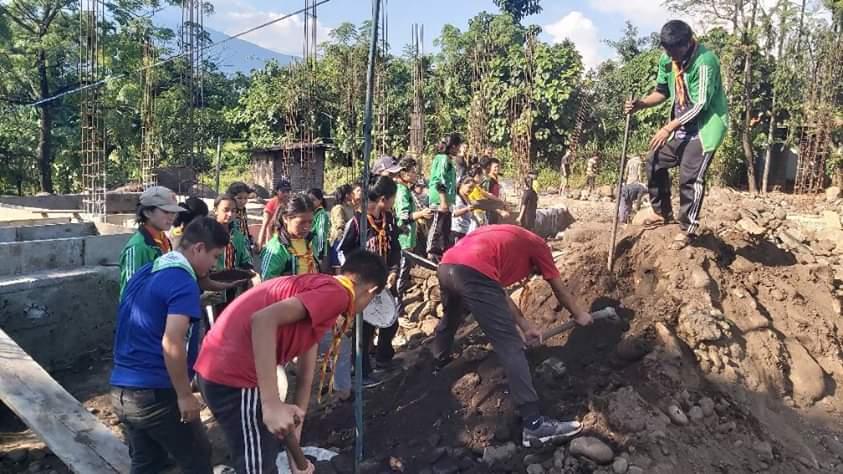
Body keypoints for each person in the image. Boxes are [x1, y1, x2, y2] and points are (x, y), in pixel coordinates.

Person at [195, 250, 387, 474]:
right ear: (371, 291)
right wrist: (271, 403)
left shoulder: (322, 288)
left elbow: (306, 377)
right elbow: (263, 320)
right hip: (234, 376)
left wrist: (296, 457)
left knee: (264, 447)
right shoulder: (337, 295)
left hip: (220, 367)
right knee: (257, 465)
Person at [431, 224, 593, 447]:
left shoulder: (505, 238)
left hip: (447, 265)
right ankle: (534, 425)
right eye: (532, 272)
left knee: (451, 318)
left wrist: (526, 327)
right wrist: (579, 314)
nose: (527, 276)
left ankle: (437, 365)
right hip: (472, 272)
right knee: (510, 347)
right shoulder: (540, 246)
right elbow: (558, 287)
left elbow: (498, 292)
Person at [110, 217, 230, 474]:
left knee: (148, 463)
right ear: (198, 248)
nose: (215, 264)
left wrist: (206, 283)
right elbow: (172, 340)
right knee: (198, 457)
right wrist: (185, 395)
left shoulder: (151, 269)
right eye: (215, 256)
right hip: (156, 394)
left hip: (122, 391)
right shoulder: (182, 283)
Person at [625, 19, 728, 250]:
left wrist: (668, 127)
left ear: (687, 43)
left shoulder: (704, 62)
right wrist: (640, 104)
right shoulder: (668, 60)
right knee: (654, 160)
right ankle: (662, 213)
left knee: (689, 178)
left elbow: (700, 105)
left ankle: (687, 229)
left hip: (703, 130)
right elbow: (661, 92)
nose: (670, 56)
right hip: (681, 128)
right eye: (667, 50)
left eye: (674, 51)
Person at [338, 176, 401, 386]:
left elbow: (395, 249)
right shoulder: (356, 223)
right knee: (362, 331)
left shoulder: (389, 221)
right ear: (383, 198)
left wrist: (393, 270)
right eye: (393, 198)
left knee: (391, 321)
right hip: (363, 286)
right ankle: (361, 371)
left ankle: (383, 357)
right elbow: (341, 252)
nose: (394, 202)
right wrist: (355, 278)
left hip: (385, 282)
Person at [119, 186, 186, 297]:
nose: (172, 217)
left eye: (174, 212)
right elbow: (131, 293)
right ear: (147, 212)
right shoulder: (138, 247)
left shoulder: (163, 238)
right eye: (166, 211)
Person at [394, 157, 433, 322]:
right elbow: (403, 217)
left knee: (404, 274)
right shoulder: (401, 191)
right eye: (413, 171)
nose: (415, 174)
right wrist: (421, 214)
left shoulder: (405, 189)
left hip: (408, 240)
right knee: (400, 275)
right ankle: (397, 310)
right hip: (403, 240)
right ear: (404, 173)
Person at [259, 194, 317, 280]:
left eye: (310, 222)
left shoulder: (308, 240)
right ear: (286, 218)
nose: (307, 227)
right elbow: (267, 285)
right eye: (301, 222)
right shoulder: (276, 249)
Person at [427, 133, 462, 261]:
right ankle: (432, 251)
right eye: (458, 147)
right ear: (453, 146)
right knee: (438, 225)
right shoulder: (442, 159)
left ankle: (442, 253)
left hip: (447, 201)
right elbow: (439, 180)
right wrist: (442, 201)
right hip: (440, 200)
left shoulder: (448, 160)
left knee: (445, 228)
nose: (459, 150)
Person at [258, 177, 293, 250]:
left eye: (288, 191)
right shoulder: (272, 203)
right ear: (277, 191)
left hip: (286, 238)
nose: (286, 194)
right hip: (273, 238)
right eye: (283, 192)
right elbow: (265, 225)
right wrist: (259, 245)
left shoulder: (290, 203)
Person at [330, 184, 356, 269]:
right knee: (339, 265)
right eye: (351, 193)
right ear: (346, 195)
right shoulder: (339, 208)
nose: (353, 195)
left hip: (348, 238)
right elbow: (340, 224)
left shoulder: (350, 207)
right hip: (340, 239)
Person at [307, 188, 331, 272]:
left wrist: (320, 255)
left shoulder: (321, 215)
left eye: (313, 200)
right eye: (309, 200)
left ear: (320, 200)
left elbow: (321, 235)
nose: (310, 202)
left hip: (317, 251)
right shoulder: (313, 213)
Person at [452, 175, 481, 242]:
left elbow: (471, 214)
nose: (471, 190)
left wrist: (478, 223)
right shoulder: (456, 198)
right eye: (470, 187)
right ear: (462, 184)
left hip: (465, 231)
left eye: (473, 188)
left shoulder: (467, 198)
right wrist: (466, 209)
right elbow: (453, 213)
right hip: (456, 231)